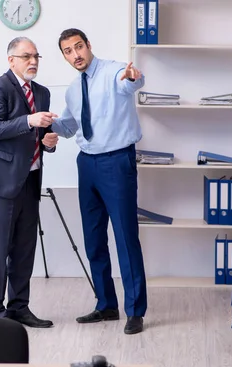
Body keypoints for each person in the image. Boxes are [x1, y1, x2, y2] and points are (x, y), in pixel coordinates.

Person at [50, 28, 147, 335]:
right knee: (93, 238)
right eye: (68, 51)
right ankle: (106, 304)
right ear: (64, 55)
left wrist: (134, 78)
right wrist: (48, 126)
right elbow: (69, 126)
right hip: (87, 163)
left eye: (79, 47)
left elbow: (131, 83)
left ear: (89, 45)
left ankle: (135, 311)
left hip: (116, 162)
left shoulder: (113, 71)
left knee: (125, 237)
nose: (75, 54)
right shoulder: (73, 89)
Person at [0, 37, 59, 328]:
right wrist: (30, 121)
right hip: (2, 184)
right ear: (11, 60)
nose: (33, 61)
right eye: (26, 56)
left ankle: (19, 308)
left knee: (25, 249)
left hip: (31, 180)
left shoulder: (43, 92)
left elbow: (40, 137)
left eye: (36, 56)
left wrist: (48, 142)